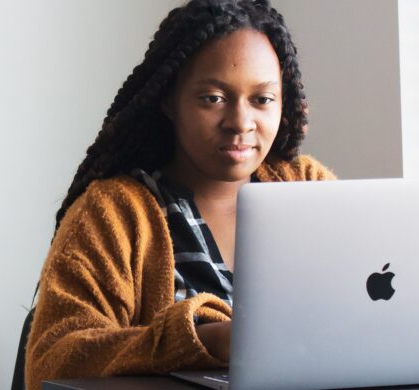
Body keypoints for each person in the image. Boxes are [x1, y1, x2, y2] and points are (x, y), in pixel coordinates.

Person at [24, 0, 336, 388]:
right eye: (213, 98)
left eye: (262, 99)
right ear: (169, 100)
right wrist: (202, 341)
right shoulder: (114, 213)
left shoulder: (307, 187)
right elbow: (52, 360)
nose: (240, 122)